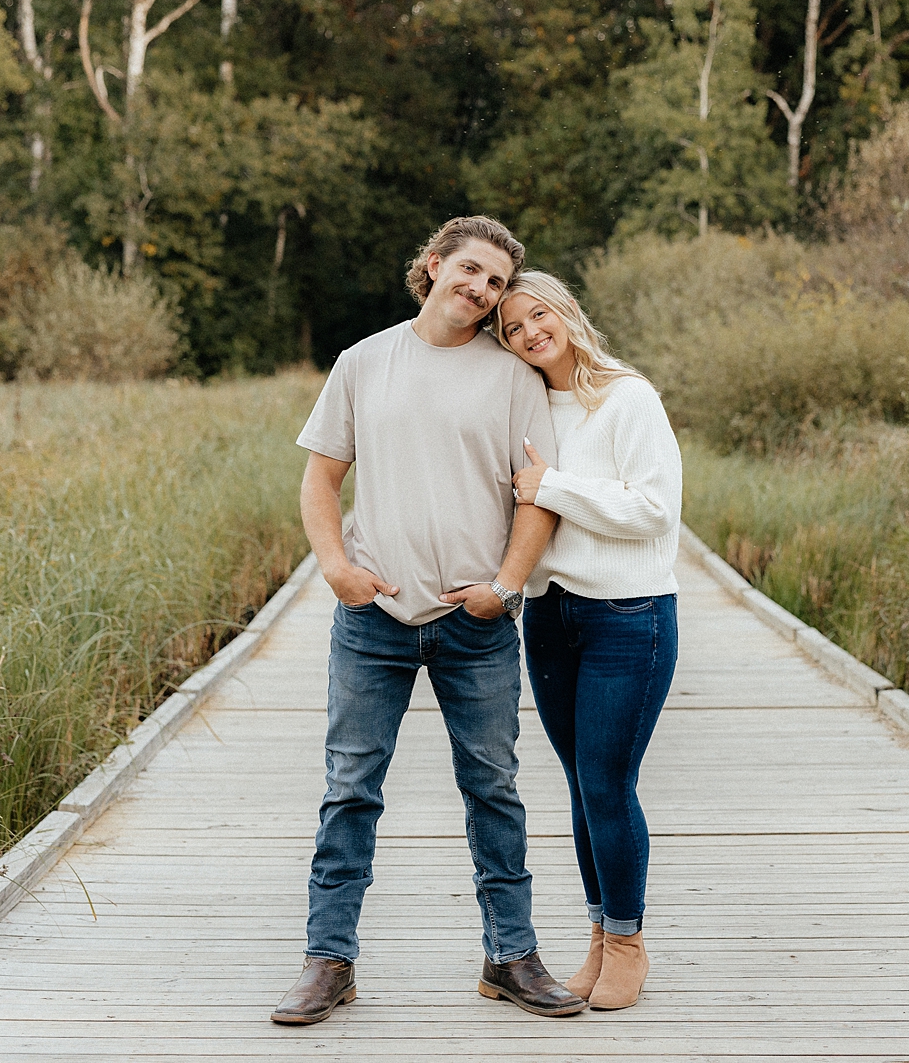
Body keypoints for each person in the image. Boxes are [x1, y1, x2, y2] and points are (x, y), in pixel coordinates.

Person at [271, 218, 587, 1026]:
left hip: (475, 625)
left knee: (495, 791)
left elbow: (537, 495)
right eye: (471, 271)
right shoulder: (363, 362)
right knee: (350, 790)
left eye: (495, 283)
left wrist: (504, 589)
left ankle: (511, 956)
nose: (480, 290)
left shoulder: (512, 377)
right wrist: (336, 568)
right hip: (373, 620)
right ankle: (328, 961)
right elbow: (320, 479)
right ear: (436, 265)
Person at [494, 270, 682, 1012]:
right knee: (581, 785)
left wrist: (552, 488)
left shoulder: (627, 397)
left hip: (628, 617)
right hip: (551, 616)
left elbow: (654, 511)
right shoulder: (527, 408)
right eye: (512, 328)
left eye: (538, 314)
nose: (530, 333)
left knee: (607, 783)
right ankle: (601, 936)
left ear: (566, 312)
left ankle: (629, 944)